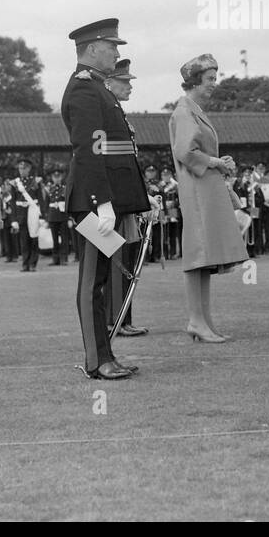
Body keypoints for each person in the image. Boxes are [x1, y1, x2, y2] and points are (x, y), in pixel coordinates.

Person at [61, 19, 150, 381]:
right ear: (93, 48)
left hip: (103, 198)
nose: (117, 52)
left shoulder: (98, 89)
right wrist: (102, 203)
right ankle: (97, 360)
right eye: (112, 46)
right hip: (93, 200)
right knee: (92, 283)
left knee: (100, 281)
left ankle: (106, 354)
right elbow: (90, 151)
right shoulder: (85, 91)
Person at [169, 53, 246, 343]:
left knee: (205, 257)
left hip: (205, 189)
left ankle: (203, 321)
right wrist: (215, 162)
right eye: (209, 79)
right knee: (197, 255)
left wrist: (218, 161)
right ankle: (196, 321)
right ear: (194, 82)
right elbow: (185, 152)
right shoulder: (184, 111)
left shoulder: (193, 110)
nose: (214, 84)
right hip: (197, 191)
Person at [106, 58, 149, 337]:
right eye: (125, 82)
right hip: (112, 200)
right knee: (115, 260)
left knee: (128, 259)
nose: (130, 86)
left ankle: (124, 317)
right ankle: (115, 319)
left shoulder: (120, 116)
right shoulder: (106, 116)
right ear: (109, 83)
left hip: (126, 199)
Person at [9, 157, 42, 272]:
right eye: (20, 168)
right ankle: (25, 264)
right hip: (21, 214)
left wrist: (42, 216)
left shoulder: (36, 181)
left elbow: (41, 200)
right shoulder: (15, 183)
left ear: (29, 169)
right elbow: (12, 202)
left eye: (24, 168)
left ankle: (33, 263)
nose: (22, 170)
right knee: (24, 241)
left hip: (33, 213)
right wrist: (13, 219)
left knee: (34, 239)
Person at [41, 167, 70, 265]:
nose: (56, 179)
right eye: (54, 177)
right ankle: (55, 259)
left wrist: (69, 217)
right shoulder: (49, 189)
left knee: (64, 239)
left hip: (63, 216)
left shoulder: (65, 188)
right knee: (54, 239)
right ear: (52, 178)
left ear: (61, 177)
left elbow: (68, 204)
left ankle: (63, 258)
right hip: (52, 216)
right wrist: (46, 219)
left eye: (58, 177)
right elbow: (46, 204)